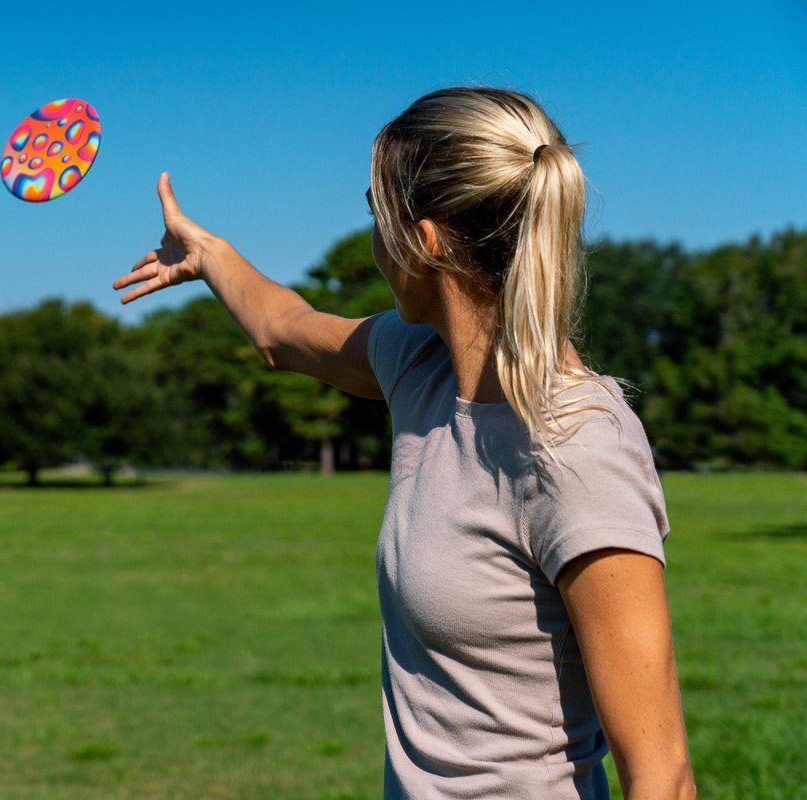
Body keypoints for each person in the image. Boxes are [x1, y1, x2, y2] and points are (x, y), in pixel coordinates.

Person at [114, 88, 695, 798]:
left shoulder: (577, 447)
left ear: (423, 244)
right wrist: (207, 255)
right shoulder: (419, 363)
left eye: (372, 211)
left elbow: (662, 777)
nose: (369, 238)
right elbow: (282, 330)